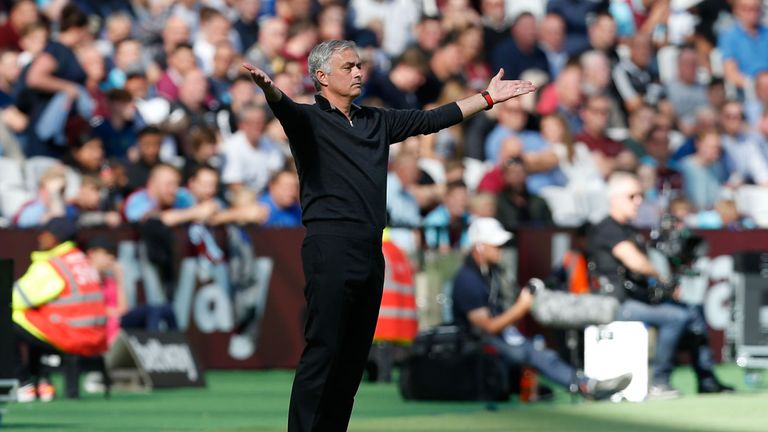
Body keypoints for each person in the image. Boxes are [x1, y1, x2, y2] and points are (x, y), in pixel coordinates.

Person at [242, 39, 536, 432]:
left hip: (369, 249)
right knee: (324, 350)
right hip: (330, 246)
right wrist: (270, 89)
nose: (359, 72)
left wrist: (486, 97)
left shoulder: (374, 121)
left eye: (359, 65)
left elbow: (433, 119)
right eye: (348, 67)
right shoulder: (310, 121)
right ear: (322, 77)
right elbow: (286, 109)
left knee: (352, 358)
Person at [451, 217, 632, 400]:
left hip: (495, 339)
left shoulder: (490, 272)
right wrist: (521, 307)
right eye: (496, 245)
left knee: (538, 352)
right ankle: (587, 386)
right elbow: (487, 327)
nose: (502, 249)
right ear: (480, 247)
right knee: (529, 352)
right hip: (475, 344)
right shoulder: (468, 280)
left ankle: (587, 384)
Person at [588, 172, 733, 399]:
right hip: (615, 302)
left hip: (635, 297)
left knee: (692, 311)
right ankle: (659, 381)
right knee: (676, 316)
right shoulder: (607, 228)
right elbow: (635, 262)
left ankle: (706, 379)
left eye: (641, 196)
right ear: (614, 198)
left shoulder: (629, 229)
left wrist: (666, 284)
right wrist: (663, 279)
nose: (638, 201)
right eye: (632, 196)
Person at [12, 217, 107, 402]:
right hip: (94, 337)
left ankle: (23, 384)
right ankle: (43, 382)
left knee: (7, 317)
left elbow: (16, 298)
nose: (40, 237)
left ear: (55, 237)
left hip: (70, 335)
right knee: (34, 320)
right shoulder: (81, 260)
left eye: (44, 233)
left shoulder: (53, 265)